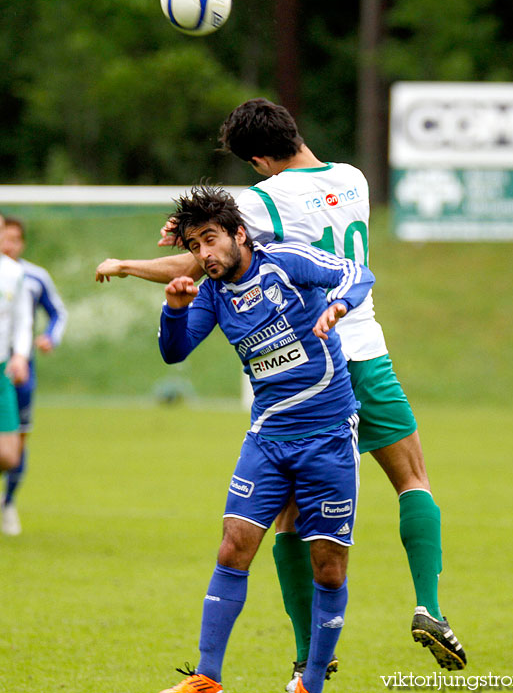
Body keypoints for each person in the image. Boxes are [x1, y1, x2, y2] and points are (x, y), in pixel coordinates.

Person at [95, 98, 467, 680]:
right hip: (367, 345)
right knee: (413, 479)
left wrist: (129, 264)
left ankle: (306, 656)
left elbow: (208, 261)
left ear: (260, 158)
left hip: (309, 358)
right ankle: (429, 605)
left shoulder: (257, 201)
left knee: (293, 519)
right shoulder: (353, 178)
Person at [156, 185, 374, 693]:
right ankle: (207, 677)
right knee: (233, 546)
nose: (204, 254)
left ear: (238, 233)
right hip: (268, 437)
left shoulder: (286, 262)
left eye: (210, 239)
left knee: (329, 566)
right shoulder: (210, 293)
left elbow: (356, 273)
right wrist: (172, 309)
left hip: (328, 434)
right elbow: (176, 351)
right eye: (193, 247)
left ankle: (310, 683)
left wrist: (339, 307)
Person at [0, 216, 67, 535]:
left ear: (21, 243)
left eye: (13, 238)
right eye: (3, 237)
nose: (7, 244)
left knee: (15, 448)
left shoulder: (31, 276)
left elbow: (57, 313)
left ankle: (8, 503)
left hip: (18, 371)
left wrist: (48, 338)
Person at [0, 214, 32, 516]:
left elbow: (22, 320)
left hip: (1, 370)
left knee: (8, 456)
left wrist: (21, 354)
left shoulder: (12, 273)